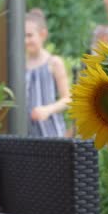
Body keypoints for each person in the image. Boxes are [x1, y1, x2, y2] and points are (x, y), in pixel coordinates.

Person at [25, 8, 71, 137]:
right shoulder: (20, 67)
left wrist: (47, 110)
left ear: (42, 35)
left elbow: (67, 99)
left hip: (51, 133)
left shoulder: (53, 63)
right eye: (22, 36)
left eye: (29, 35)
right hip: (28, 135)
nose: (25, 40)